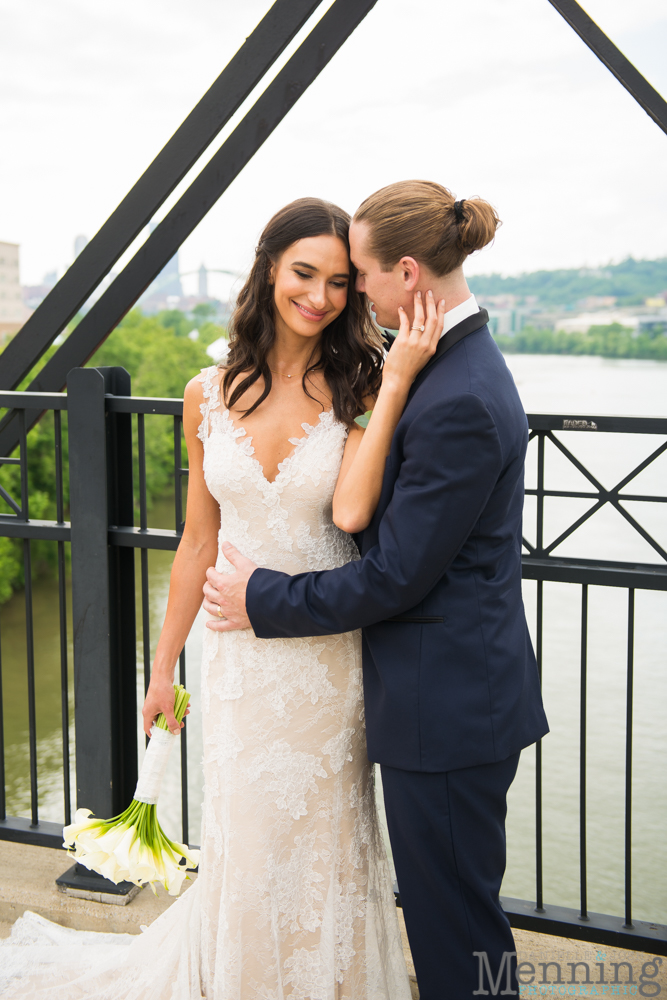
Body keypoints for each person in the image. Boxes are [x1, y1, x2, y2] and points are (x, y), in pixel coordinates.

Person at [0, 196, 443, 999]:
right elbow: (197, 541)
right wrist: (162, 665)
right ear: (268, 267)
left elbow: (351, 514)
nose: (319, 296)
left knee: (324, 837)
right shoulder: (206, 392)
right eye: (303, 273)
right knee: (244, 835)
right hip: (236, 652)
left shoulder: (364, 383)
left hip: (324, 651)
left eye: (340, 282)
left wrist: (397, 383)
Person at [203, 180, 550, 1000]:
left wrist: (262, 600)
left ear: (403, 272)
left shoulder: (460, 395)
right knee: (451, 918)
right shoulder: (436, 366)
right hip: (442, 699)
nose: (348, 291)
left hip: (449, 707)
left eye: (355, 274)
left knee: (456, 933)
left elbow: (397, 574)